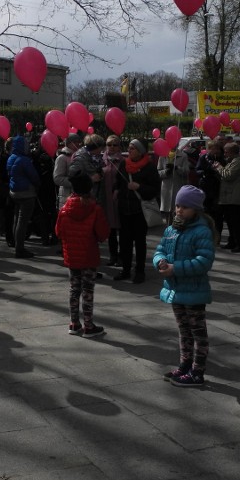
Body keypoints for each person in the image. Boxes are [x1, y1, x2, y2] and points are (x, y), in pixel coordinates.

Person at [153, 185, 216, 387]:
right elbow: (160, 249)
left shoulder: (201, 231)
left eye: (185, 207)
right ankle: (185, 365)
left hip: (194, 291)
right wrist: (160, 262)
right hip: (175, 290)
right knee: (183, 331)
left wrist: (175, 268)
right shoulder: (171, 229)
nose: (179, 210)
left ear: (196, 209)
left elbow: (204, 261)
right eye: (178, 205)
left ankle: (198, 372)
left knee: (198, 333)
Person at [55, 173, 110, 338]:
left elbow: (58, 232)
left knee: (74, 289)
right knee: (87, 290)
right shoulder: (95, 208)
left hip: (71, 255)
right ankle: (88, 324)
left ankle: (74, 322)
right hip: (89, 255)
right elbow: (102, 234)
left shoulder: (64, 210)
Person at [113, 139, 161, 283]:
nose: (129, 151)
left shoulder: (149, 167)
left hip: (140, 211)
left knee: (140, 242)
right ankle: (125, 270)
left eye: (133, 148)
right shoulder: (123, 164)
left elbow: (154, 190)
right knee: (124, 242)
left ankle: (140, 271)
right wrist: (116, 190)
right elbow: (118, 182)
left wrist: (139, 187)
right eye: (129, 148)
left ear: (140, 151)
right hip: (124, 209)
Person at [7, 134, 41, 259]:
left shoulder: (11, 157)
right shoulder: (24, 160)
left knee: (16, 219)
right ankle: (19, 249)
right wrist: (38, 184)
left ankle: (17, 245)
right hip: (26, 192)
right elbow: (34, 176)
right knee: (23, 222)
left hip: (14, 192)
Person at [215, 142, 240, 252]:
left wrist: (219, 167)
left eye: (227, 151)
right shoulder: (232, 162)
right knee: (230, 222)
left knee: (235, 222)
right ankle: (232, 242)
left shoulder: (237, 162)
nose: (225, 153)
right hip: (228, 196)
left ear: (233, 152)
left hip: (233, 197)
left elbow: (228, 176)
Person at [101, 135, 124, 266]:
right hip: (106, 200)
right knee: (110, 231)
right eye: (109, 144)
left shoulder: (123, 161)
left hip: (118, 200)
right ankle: (113, 255)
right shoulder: (101, 160)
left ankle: (122, 256)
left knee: (122, 231)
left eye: (115, 144)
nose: (112, 147)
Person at [157, 146, 191, 225]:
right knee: (167, 212)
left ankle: (176, 229)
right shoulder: (162, 156)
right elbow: (158, 172)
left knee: (177, 211)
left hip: (178, 187)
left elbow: (186, 171)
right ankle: (168, 230)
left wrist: (176, 168)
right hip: (166, 188)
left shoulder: (183, 155)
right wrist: (166, 172)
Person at [0, 137, 15, 247]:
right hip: (6, 189)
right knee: (8, 213)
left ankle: (12, 235)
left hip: (12, 188)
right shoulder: (2, 157)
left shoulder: (9, 156)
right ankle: (8, 235)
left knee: (11, 214)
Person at [53, 133, 82, 209]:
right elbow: (57, 178)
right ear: (69, 143)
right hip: (67, 196)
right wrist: (75, 182)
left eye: (79, 142)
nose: (78, 144)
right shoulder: (62, 158)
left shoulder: (80, 156)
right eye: (76, 142)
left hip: (79, 195)